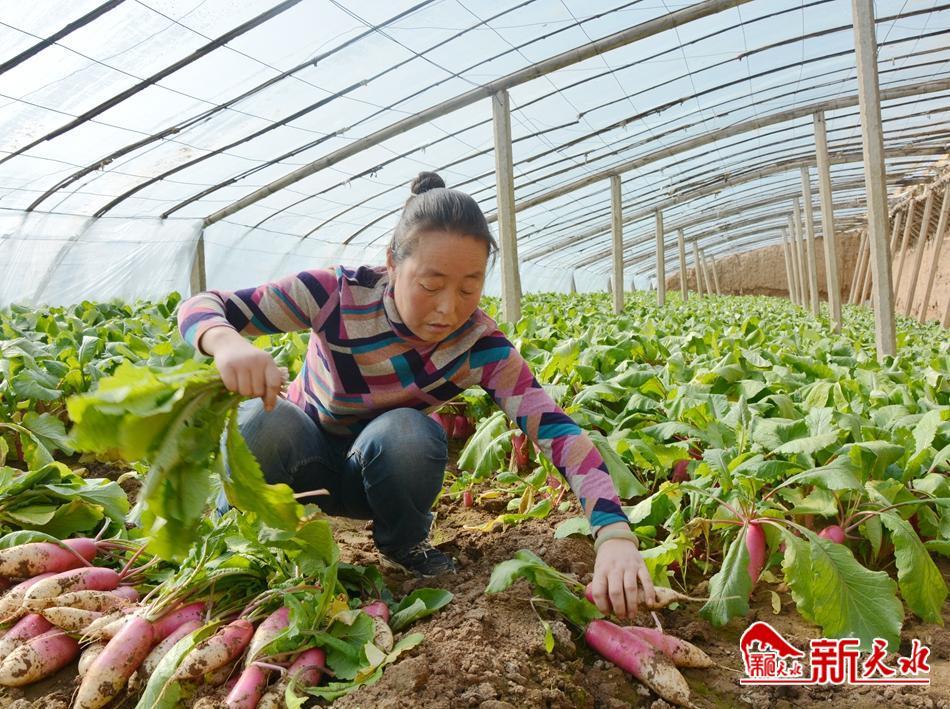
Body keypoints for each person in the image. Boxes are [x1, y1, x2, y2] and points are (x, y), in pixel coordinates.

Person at [177, 171, 656, 619]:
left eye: (469, 288)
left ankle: (404, 544)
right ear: (392, 263)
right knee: (262, 418)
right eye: (431, 284)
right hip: (300, 461)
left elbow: (557, 431)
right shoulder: (334, 294)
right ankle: (235, 538)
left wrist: (613, 532)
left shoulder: (480, 346)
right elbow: (204, 305)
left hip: (375, 477)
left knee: (410, 430)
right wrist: (226, 342)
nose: (448, 308)